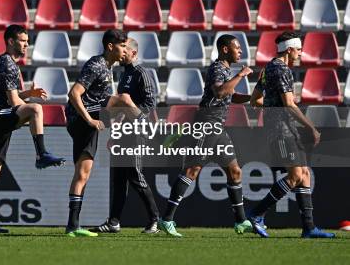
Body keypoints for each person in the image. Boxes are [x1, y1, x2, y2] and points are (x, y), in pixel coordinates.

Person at [159, 34, 258, 237]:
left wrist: (252, 98)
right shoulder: (217, 68)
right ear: (224, 49)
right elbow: (220, 92)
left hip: (217, 128)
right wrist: (241, 75)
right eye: (237, 48)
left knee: (235, 171)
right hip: (206, 125)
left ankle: (241, 221)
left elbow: (230, 95)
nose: (240, 51)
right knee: (192, 170)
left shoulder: (226, 70)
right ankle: (166, 219)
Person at [0, 25, 65, 233]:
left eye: (27, 40)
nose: (26, 44)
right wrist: (26, 110)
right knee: (35, 110)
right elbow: (13, 102)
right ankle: (41, 153)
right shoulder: (7, 63)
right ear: (10, 41)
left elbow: (10, 97)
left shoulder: (9, 64)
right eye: (23, 40)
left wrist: (27, 93)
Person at [248, 31, 334, 239]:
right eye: (299, 49)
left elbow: (255, 100)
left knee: (303, 174)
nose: (301, 53)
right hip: (281, 130)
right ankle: (257, 213)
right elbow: (288, 104)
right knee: (296, 175)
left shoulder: (269, 68)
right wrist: (311, 127)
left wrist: (271, 106)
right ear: (289, 49)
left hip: (283, 128)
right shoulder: (282, 69)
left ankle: (309, 227)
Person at [65, 29, 147, 237]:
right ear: (111, 46)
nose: (125, 50)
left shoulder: (108, 67)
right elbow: (74, 93)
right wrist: (90, 120)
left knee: (82, 174)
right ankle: (150, 128)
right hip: (82, 118)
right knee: (125, 99)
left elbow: (107, 105)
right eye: (122, 46)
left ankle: (72, 226)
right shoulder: (97, 65)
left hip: (87, 120)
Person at [90, 37, 160, 234]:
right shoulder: (124, 75)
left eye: (125, 49)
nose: (122, 52)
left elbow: (148, 105)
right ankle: (113, 222)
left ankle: (155, 220)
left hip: (137, 132)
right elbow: (120, 109)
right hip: (123, 132)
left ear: (134, 53)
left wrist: (133, 117)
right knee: (119, 178)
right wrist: (116, 132)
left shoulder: (141, 73)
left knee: (135, 174)